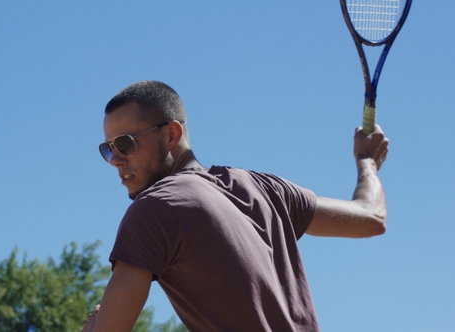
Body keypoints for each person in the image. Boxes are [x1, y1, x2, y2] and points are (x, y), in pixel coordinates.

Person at [83, 80, 388, 332]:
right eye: (107, 150)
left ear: (172, 134)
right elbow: (371, 217)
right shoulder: (267, 189)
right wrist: (367, 163)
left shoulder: (154, 208)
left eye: (125, 144)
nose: (116, 161)